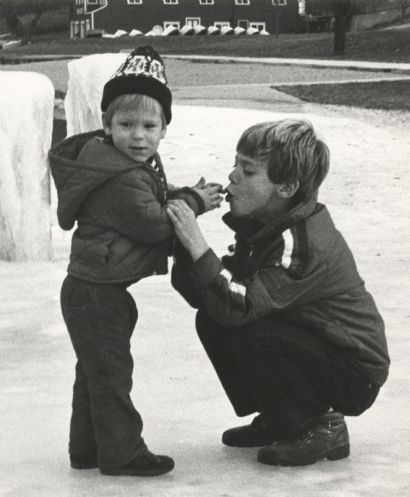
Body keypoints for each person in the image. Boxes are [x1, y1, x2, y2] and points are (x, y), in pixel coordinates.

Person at [167, 119, 390, 467]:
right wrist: (183, 243)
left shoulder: (300, 242)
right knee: (213, 318)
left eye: (249, 170)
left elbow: (240, 307)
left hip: (353, 371)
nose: (232, 177)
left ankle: (320, 425)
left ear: (286, 188)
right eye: (235, 164)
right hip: (316, 346)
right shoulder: (265, 228)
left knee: (254, 329)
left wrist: (197, 244)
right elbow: (211, 298)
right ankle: (280, 417)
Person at [49, 46, 222, 477]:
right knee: (110, 374)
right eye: (126, 125)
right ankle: (122, 452)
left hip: (95, 289)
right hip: (96, 293)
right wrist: (194, 201)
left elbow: (153, 199)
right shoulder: (118, 175)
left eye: (150, 125)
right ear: (106, 125)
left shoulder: (122, 166)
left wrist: (181, 193)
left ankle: (87, 449)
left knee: (95, 373)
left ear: (164, 128)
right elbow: (153, 224)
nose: (138, 136)